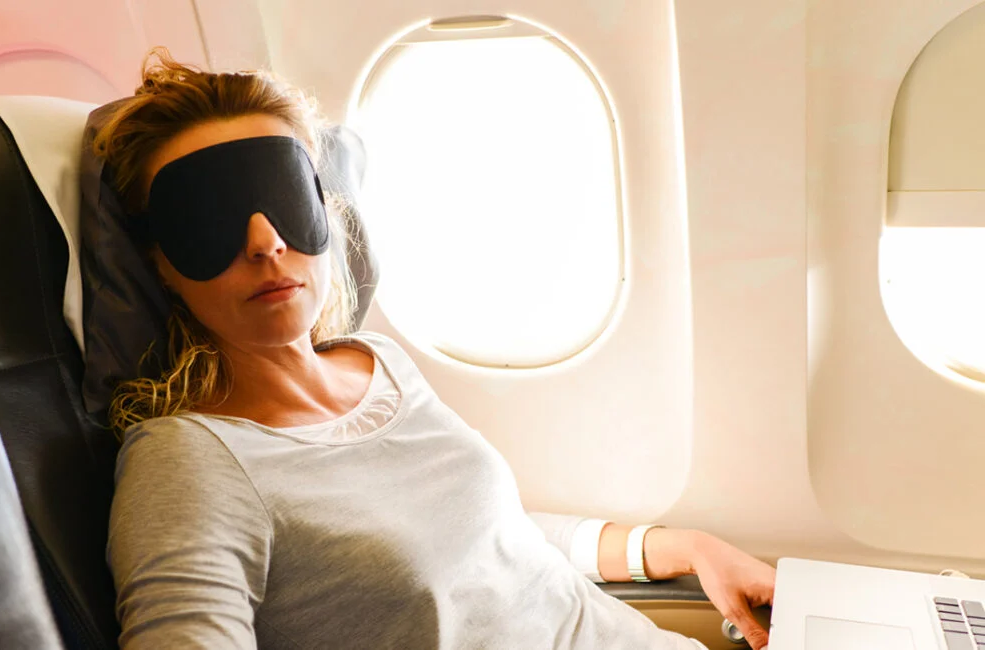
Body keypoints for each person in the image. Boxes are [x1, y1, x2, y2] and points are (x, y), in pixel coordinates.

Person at [99, 47, 775, 650]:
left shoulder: (378, 362)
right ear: (162, 264)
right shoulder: (189, 462)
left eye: (279, 194)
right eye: (211, 216)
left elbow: (483, 541)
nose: (264, 241)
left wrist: (678, 549)